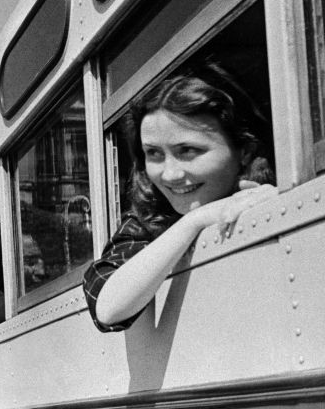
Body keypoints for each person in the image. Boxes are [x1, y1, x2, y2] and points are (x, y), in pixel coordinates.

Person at [83, 63, 276, 332]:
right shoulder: (145, 218)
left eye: (187, 150)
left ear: (244, 150)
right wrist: (194, 221)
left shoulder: (275, 188)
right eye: (154, 154)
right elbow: (108, 308)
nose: (170, 174)